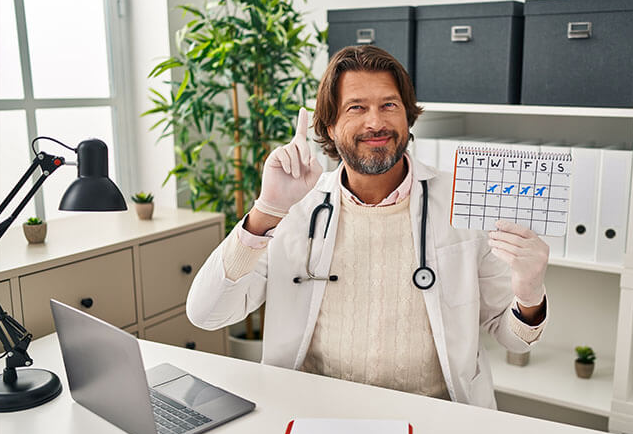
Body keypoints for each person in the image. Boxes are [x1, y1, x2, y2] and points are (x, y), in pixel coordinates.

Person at [187, 45, 550, 409]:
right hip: (315, 410)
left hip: (436, 413)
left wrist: (530, 291)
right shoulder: (296, 208)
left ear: (408, 117)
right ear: (329, 125)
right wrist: (266, 211)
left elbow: (514, 338)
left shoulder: (462, 203)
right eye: (356, 108)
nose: (375, 123)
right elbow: (207, 313)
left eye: (389, 105)